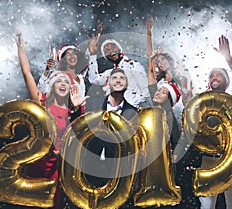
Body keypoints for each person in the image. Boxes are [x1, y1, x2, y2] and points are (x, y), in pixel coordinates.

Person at [14, 30, 88, 209]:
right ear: (52, 86)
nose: (63, 83)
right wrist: (20, 45)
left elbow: (78, 139)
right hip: (36, 161)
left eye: (66, 82)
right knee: (30, 202)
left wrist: (77, 110)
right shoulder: (41, 101)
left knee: (54, 203)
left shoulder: (74, 109)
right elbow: (27, 73)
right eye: (59, 81)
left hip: (59, 165)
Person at [174, 35, 232, 209]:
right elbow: (190, 127)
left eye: (219, 75)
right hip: (208, 162)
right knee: (206, 207)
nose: (213, 77)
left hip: (231, 161)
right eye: (211, 76)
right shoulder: (202, 105)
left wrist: (228, 58)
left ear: (227, 83)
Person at [85, 33, 150, 111]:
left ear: (119, 49)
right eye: (107, 50)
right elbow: (94, 79)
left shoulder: (133, 66)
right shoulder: (110, 73)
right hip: (113, 112)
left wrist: (130, 105)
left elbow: (145, 90)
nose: (110, 50)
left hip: (131, 112)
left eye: (113, 47)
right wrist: (92, 55)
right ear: (105, 56)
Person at [146, 17, 193, 106]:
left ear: (170, 60)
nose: (160, 63)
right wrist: (149, 33)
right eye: (158, 61)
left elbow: (185, 100)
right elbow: (150, 56)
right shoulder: (159, 79)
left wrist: (188, 97)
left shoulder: (181, 79)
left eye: (163, 59)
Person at [37, 43, 89, 117]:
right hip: (62, 117)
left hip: (78, 116)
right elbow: (41, 89)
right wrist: (47, 70)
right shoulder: (59, 75)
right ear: (63, 59)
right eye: (68, 54)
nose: (72, 56)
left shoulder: (80, 77)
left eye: (74, 53)